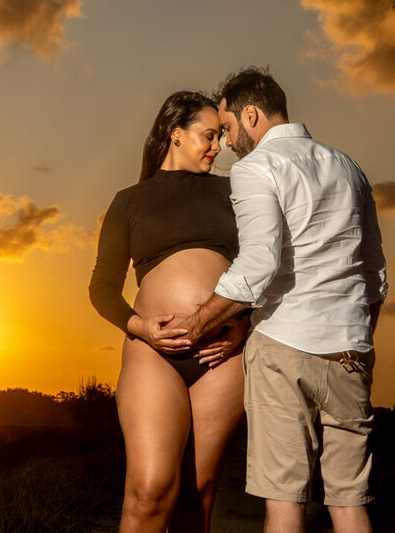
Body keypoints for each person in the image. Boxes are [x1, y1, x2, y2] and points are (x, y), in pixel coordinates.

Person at [169, 68, 387, 533]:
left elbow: (256, 269)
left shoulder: (256, 167)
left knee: (284, 502)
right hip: (352, 354)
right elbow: (375, 277)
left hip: (284, 349)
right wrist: (356, 334)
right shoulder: (349, 167)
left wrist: (195, 324)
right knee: (349, 504)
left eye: (227, 127)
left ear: (251, 113)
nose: (226, 142)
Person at [89, 90, 251, 533]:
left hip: (221, 356)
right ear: (175, 134)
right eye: (208, 135)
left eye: (220, 136)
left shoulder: (235, 191)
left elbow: (267, 263)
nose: (217, 146)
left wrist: (244, 325)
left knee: (197, 495)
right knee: (149, 490)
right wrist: (140, 327)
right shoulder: (129, 201)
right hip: (152, 353)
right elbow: (102, 288)